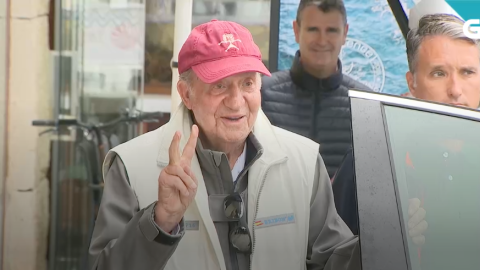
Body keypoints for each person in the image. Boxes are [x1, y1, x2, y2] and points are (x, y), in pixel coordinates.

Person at [88, 19, 360, 270]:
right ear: (186, 94)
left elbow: (334, 259)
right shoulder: (131, 166)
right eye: (219, 86)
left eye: (248, 83)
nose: (236, 101)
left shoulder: (304, 161)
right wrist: (161, 221)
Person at [332, 12, 480, 243]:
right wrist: (379, 243)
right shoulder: (369, 163)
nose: (455, 90)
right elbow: (329, 257)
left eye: (467, 72)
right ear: (412, 82)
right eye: (439, 73)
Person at [261, 0, 371, 179]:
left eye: (332, 30)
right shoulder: (262, 94)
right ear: (296, 31)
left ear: (345, 33)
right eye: (313, 29)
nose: (322, 41)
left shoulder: (366, 104)